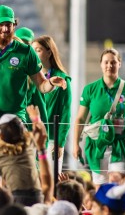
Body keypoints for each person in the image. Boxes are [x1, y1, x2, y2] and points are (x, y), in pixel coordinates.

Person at [0, 4, 66, 189]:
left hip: (16, 122)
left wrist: (51, 83)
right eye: (1, 24)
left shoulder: (26, 52)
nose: (5, 28)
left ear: (14, 25)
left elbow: (41, 84)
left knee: (14, 178)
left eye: (9, 24)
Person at [73, 48, 125, 185]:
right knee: (100, 185)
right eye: (106, 62)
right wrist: (76, 144)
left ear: (119, 64)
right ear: (101, 64)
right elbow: (80, 119)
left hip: (122, 143)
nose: (109, 66)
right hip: (98, 145)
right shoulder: (90, 89)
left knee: (119, 181)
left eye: (113, 62)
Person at [32, 35, 71, 173]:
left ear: (49, 53)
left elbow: (66, 113)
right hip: (32, 137)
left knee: (51, 182)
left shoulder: (63, 79)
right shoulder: (29, 78)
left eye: (38, 50)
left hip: (52, 139)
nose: (34, 53)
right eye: (32, 50)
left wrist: (60, 143)